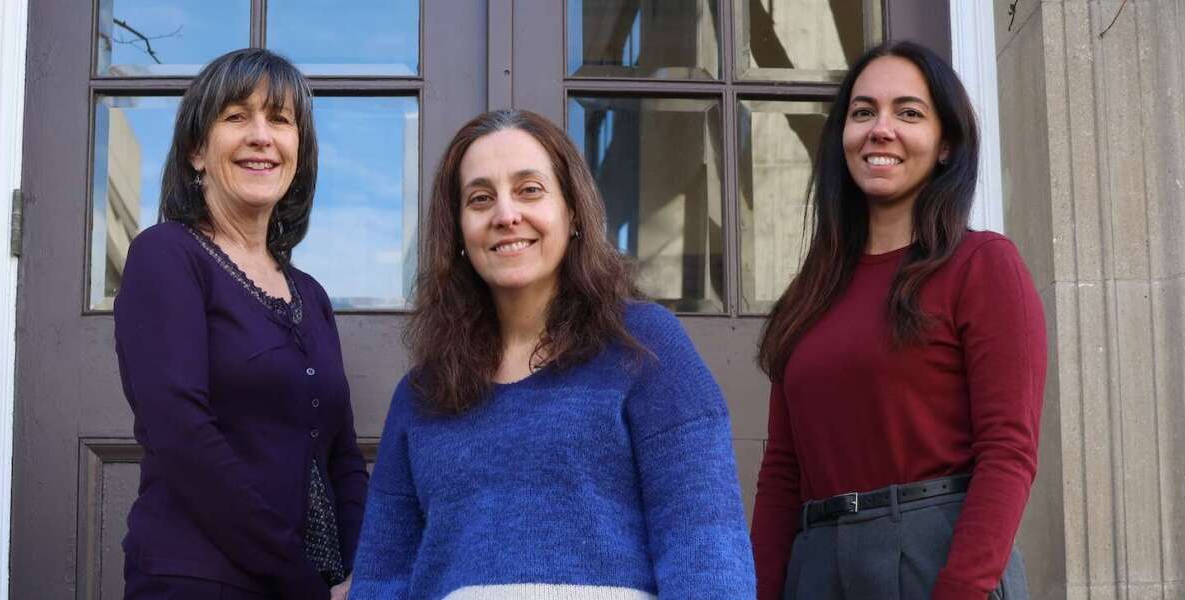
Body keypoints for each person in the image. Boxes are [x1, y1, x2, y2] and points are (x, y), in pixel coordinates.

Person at [350, 110, 755, 598]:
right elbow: (383, 577)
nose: (505, 215)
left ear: (574, 211)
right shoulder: (421, 394)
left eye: (530, 190)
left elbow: (705, 543)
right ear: (458, 232)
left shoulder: (645, 347)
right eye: (480, 199)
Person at [749, 41, 1047, 600]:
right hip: (816, 569)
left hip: (935, 560)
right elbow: (783, 475)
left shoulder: (982, 266)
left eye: (908, 112)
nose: (880, 129)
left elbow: (1008, 452)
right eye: (863, 112)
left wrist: (960, 591)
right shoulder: (808, 295)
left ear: (945, 144)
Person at [113, 48, 362, 600]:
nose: (261, 135)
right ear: (197, 151)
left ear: (299, 151)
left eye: (279, 119)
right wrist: (303, 582)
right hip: (201, 580)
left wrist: (360, 576)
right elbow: (183, 436)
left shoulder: (313, 296)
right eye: (235, 117)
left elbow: (342, 455)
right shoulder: (166, 256)